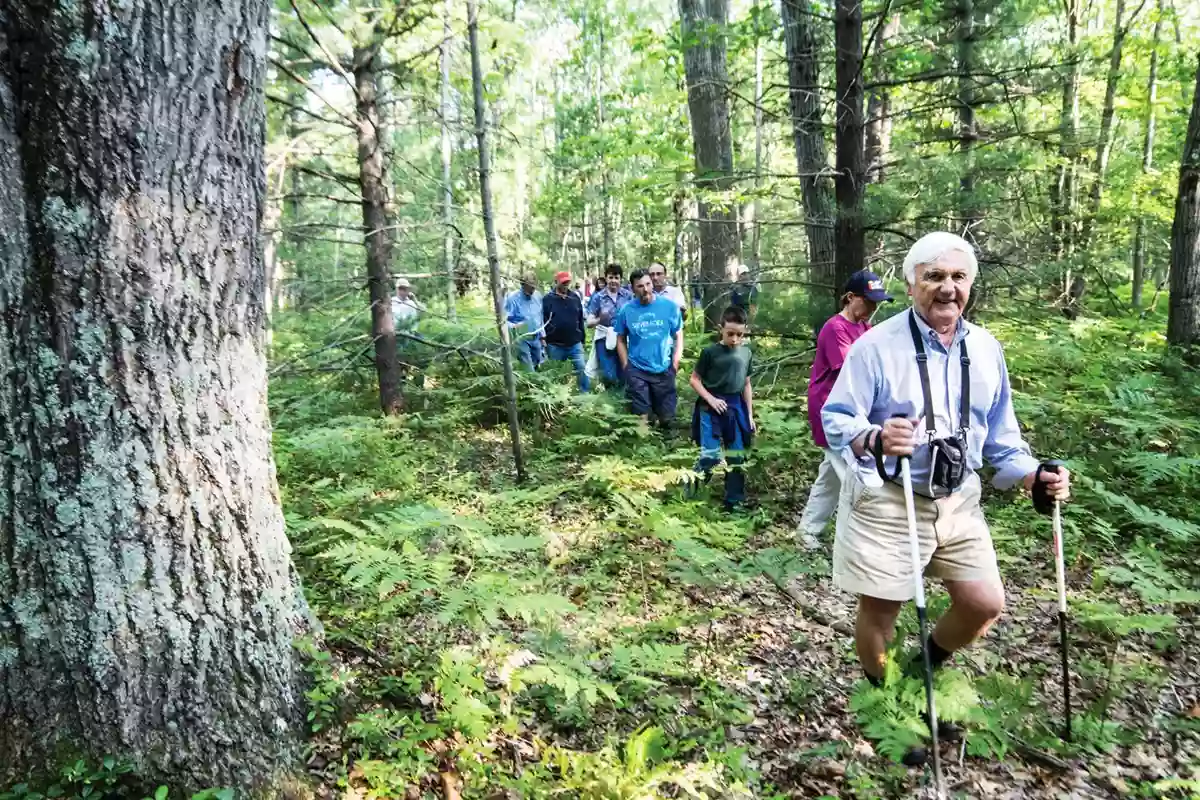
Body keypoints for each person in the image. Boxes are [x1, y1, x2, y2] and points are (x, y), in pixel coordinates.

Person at [821, 232, 1071, 764]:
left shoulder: (985, 348)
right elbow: (837, 418)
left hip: (959, 499)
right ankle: (890, 706)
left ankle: (922, 671)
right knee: (882, 611)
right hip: (891, 497)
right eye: (934, 276)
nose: (947, 289)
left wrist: (1035, 475)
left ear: (971, 285)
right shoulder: (875, 346)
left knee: (984, 603)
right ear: (912, 284)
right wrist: (876, 436)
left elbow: (1003, 438)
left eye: (958, 277)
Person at [797, 270, 894, 549]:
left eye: (877, 303)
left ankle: (807, 532)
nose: (873, 308)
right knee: (856, 475)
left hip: (853, 411)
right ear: (850, 298)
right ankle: (862, 541)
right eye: (868, 301)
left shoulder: (864, 328)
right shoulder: (835, 328)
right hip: (831, 411)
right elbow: (853, 372)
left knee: (830, 476)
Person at [689, 306, 755, 512]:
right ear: (721, 329)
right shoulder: (710, 352)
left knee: (736, 456)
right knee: (710, 455)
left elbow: (746, 384)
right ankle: (691, 491)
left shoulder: (746, 352)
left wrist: (750, 415)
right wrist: (711, 399)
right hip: (710, 407)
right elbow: (694, 379)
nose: (735, 339)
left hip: (735, 407)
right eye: (730, 334)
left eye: (739, 334)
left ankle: (733, 502)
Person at [614, 268, 684, 431]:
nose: (645, 289)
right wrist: (626, 366)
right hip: (637, 368)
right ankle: (642, 448)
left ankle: (667, 448)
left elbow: (678, 335)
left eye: (648, 284)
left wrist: (675, 361)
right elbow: (620, 339)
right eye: (640, 286)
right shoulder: (626, 311)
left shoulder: (669, 307)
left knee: (666, 417)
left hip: (664, 367)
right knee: (641, 414)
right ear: (632, 289)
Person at [586, 263, 635, 387]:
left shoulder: (628, 296)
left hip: (623, 337)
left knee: (624, 371)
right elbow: (589, 322)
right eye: (611, 277)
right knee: (608, 374)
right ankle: (609, 398)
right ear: (606, 278)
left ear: (620, 279)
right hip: (604, 338)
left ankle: (621, 401)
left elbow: (635, 314)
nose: (613, 281)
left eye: (616, 278)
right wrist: (599, 319)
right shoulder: (598, 297)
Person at [542, 270, 590, 392]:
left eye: (567, 282)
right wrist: (544, 340)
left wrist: (582, 338)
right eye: (563, 283)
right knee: (555, 373)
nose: (565, 285)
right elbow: (543, 320)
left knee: (582, 369)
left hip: (574, 342)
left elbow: (580, 319)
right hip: (555, 344)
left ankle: (585, 396)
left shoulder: (574, 297)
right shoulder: (547, 299)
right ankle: (557, 397)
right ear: (556, 282)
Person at [504, 272, 544, 370]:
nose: (532, 290)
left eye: (534, 287)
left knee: (537, 364)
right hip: (522, 337)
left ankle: (533, 384)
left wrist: (543, 336)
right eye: (529, 287)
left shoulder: (538, 296)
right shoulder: (513, 298)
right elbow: (504, 320)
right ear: (523, 284)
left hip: (536, 337)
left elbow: (540, 316)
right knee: (528, 368)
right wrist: (513, 326)